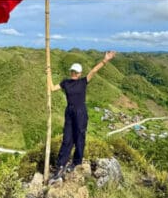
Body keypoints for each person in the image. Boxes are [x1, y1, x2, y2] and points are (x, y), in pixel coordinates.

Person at [47, 51, 116, 179]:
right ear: (70, 72)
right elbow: (51, 88)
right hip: (69, 112)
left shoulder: (83, 81)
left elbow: (94, 71)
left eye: (76, 72)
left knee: (79, 138)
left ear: (79, 74)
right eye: (72, 71)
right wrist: (49, 73)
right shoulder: (65, 83)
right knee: (67, 139)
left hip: (80, 112)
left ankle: (76, 162)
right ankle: (60, 166)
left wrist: (105, 60)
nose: (74, 73)